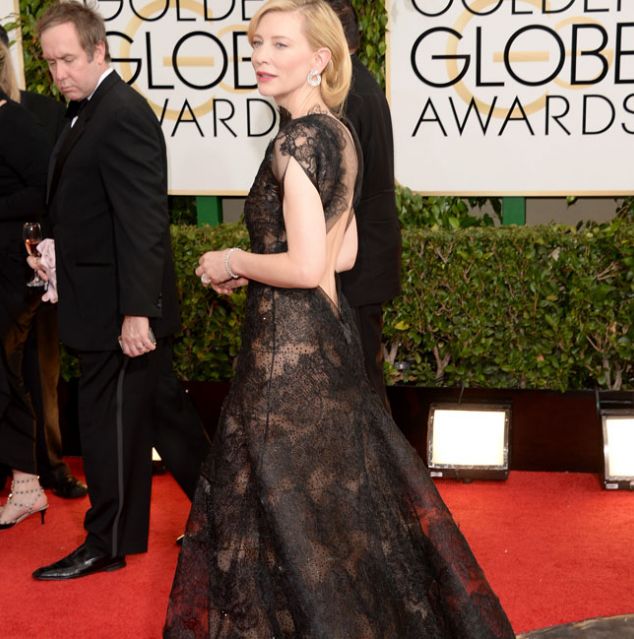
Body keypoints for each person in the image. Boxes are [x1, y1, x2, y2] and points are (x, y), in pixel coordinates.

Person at [164, 1, 515, 637]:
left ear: (319, 58)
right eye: (256, 43)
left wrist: (232, 259)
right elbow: (341, 253)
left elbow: (305, 266)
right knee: (331, 508)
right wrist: (265, 265)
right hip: (330, 338)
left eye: (279, 45)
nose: (261, 56)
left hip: (284, 353)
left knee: (273, 511)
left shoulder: (295, 142)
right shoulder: (338, 134)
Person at [30, 0, 209, 581]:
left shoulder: (122, 113)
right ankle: (231, 518)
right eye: (50, 62)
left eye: (68, 59)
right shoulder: (84, 110)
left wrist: (138, 313)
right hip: (99, 301)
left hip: (118, 313)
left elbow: (143, 221)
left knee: (107, 428)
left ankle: (106, 542)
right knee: (166, 418)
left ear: (99, 49)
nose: (59, 73)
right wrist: (52, 255)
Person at [0, 23, 87, 500]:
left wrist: (45, 258)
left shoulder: (35, 114)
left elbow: (53, 191)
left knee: (39, 370)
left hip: (36, 266)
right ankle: (20, 472)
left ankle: (46, 468)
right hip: (7, 269)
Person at [326, 0, 402, 410]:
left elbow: (340, 196)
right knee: (358, 387)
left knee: (361, 392)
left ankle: (380, 455)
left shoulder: (348, 95)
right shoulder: (358, 86)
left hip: (352, 268)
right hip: (358, 265)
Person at [0, 40, 50, 528]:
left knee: (4, 371)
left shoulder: (13, 121)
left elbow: (46, 189)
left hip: (14, 269)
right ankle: (25, 482)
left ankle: (28, 483)